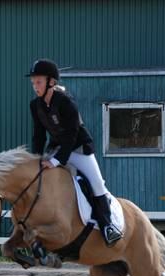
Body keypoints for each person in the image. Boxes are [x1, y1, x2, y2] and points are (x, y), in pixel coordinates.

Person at [27, 58, 123, 246]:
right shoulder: (35, 105)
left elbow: (71, 134)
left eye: (38, 82)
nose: (35, 86)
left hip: (78, 148)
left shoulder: (65, 101)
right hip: (56, 148)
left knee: (96, 182)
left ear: (51, 82)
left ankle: (108, 226)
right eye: (33, 82)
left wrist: (55, 162)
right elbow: (38, 135)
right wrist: (37, 159)